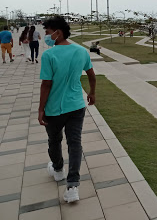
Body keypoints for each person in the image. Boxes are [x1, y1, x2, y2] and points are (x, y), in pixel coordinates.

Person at [38, 15, 96, 203]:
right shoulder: (81, 51)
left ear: (58, 32)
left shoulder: (49, 55)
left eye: (47, 32)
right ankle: (72, 187)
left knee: (54, 140)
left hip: (55, 108)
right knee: (75, 143)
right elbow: (91, 75)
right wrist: (92, 93)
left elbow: (46, 84)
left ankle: (58, 169)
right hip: (76, 106)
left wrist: (40, 109)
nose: (46, 36)